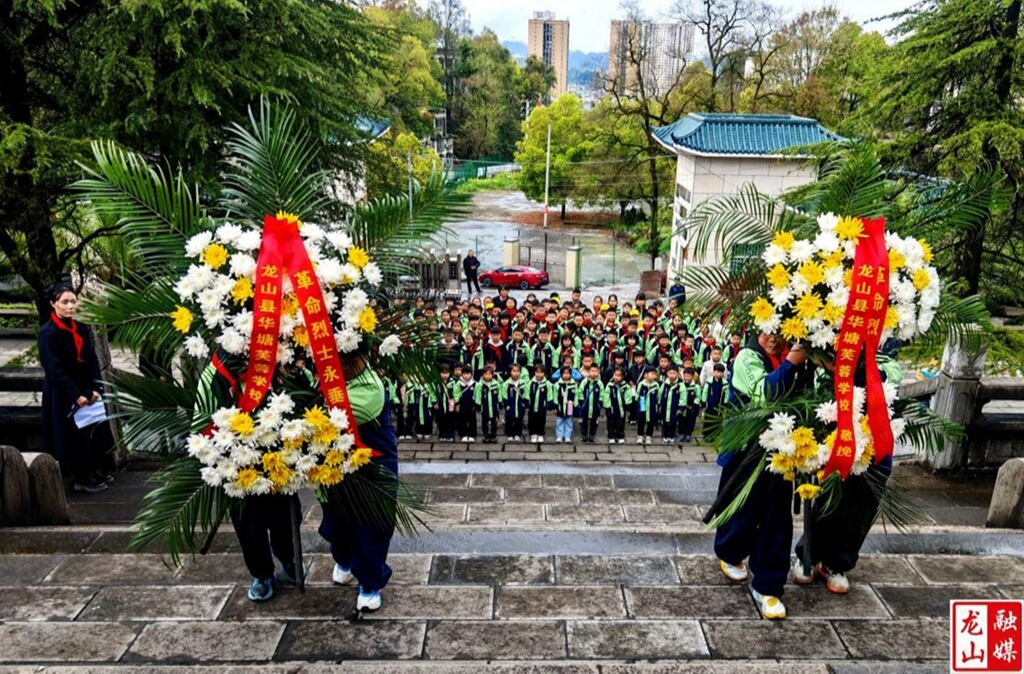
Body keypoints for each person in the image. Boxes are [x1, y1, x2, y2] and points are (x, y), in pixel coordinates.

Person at [712, 332, 809, 620]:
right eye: (766, 331)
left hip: (783, 453)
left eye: (780, 333)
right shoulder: (747, 357)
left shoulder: (806, 358)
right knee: (741, 509)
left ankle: (768, 585)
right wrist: (791, 362)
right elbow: (764, 394)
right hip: (747, 450)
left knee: (777, 517)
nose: (772, 338)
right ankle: (730, 552)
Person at [792, 354, 903, 594]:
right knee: (829, 502)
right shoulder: (830, 354)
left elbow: (887, 383)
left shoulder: (887, 363)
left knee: (860, 509)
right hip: (837, 442)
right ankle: (808, 555)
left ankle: (837, 563)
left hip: (874, 444)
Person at [320, 357, 401, 613]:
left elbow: (331, 415)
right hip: (336, 468)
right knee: (336, 522)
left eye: (349, 359)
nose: (342, 365)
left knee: (371, 527)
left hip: (373, 468)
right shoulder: (327, 380)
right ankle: (344, 560)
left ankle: (369, 582)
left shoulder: (371, 386)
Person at [39, 283, 113, 493]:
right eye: (65, 302)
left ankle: (95, 468)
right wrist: (74, 395)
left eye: (73, 301)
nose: (70, 306)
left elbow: (92, 360)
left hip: (86, 389)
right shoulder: (48, 333)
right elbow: (54, 369)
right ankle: (80, 476)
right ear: (53, 304)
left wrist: (96, 388)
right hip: (63, 393)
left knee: (93, 431)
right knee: (73, 435)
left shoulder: (80, 327)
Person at [475, 366, 502, 444]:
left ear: (492, 375)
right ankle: (485, 434)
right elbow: (478, 395)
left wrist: (500, 402)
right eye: (486, 374)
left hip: (494, 407)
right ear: (483, 374)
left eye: (490, 374)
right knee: (484, 421)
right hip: (485, 407)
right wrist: (478, 405)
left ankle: (493, 434)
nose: (488, 376)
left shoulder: (496, 384)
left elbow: (499, 393)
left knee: (494, 421)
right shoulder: (480, 385)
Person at [577, 364, 604, 443]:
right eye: (592, 371)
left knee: (593, 422)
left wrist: (600, 403)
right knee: (584, 422)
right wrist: (581, 402)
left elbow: (602, 393)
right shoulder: (584, 382)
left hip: (595, 407)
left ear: (598, 372)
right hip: (585, 406)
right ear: (589, 372)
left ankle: (592, 435)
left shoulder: (599, 383)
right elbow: (580, 391)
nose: (594, 373)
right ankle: (584, 435)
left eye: (596, 371)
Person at [527, 365, 553, 443]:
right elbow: (527, 393)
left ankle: (540, 434)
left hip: (542, 406)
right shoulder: (531, 383)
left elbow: (549, 394)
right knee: (532, 420)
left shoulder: (547, 383)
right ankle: (533, 434)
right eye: (537, 372)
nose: (539, 374)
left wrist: (550, 404)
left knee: (541, 420)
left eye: (541, 372)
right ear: (534, 372)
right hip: (532, 406)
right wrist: (527, 404)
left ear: (544, 374)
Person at [553, 366, 577, 443]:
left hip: (570, 407)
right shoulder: (557, 385)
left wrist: (575, 405)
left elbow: (576, 395)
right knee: (559, 421)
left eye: (568, 373)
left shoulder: (574, 385)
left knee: (569, 422)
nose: (566, 375)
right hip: (560, 406)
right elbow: (555, 396)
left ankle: (567, 436)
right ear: (561, 374)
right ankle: (559, 436)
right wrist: (555, 406)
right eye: (564, 373)